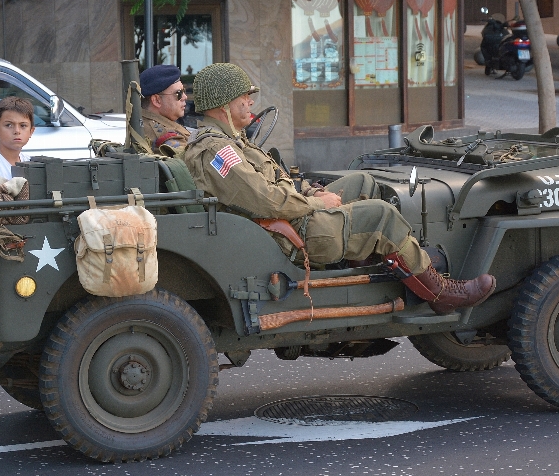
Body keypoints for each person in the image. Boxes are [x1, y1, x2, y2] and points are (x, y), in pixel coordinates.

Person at [182, 63, 496, 314]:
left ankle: (376, 261)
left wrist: (312, 192)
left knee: (364, 182)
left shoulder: (229, 141)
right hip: (288, 233)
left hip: (287, 219)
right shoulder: (217, 151)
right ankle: (440, 293)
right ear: (223, 105)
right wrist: (320, 204)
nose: (250, 103)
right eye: (243, 98)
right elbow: (267, 201)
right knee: (382, 216)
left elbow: (275, 184)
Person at [139, 64, 192, 156]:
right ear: (156, 100)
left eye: (184, 91)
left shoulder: (140, 123)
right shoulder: (165, 137)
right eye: (178, 93)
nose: (185, 97)